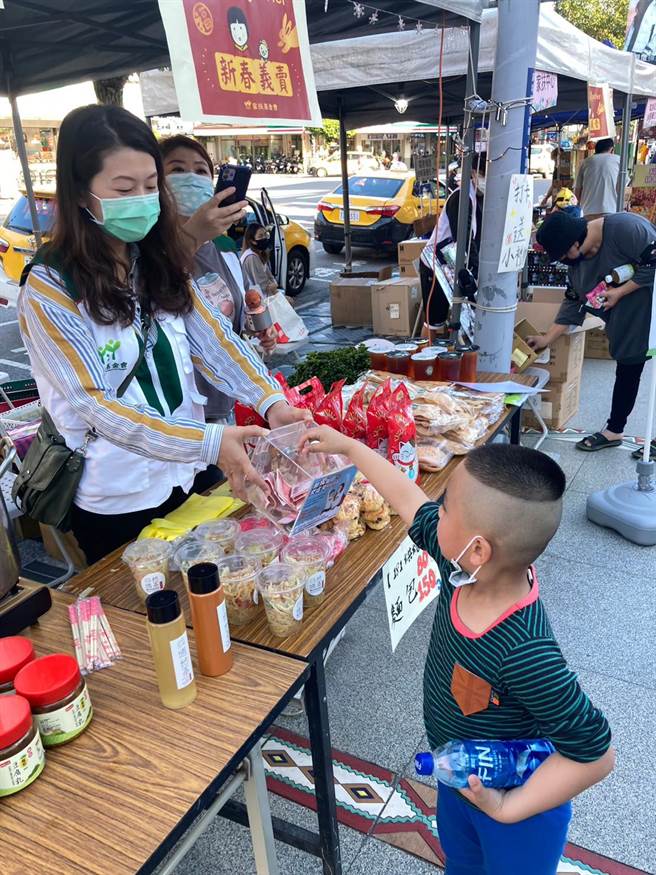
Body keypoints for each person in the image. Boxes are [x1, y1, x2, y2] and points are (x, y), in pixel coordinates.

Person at [300, 430, 614, 875]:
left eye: (445, 506)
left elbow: (596, 753)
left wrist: (508, 807)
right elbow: (409, 501)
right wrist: (351, 449)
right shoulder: (462, 567)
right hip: (461, 776)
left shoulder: (526, 651)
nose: (435, 511)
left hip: (521, 808)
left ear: (479, 549)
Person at [18, 104, 306, 564]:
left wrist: (272, 402)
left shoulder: (152, 259)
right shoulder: (51, 288)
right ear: (79, 193)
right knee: (152, 617)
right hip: (119, 495)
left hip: (188, 474)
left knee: (215, 597)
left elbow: (213, 341)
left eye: (151, 186)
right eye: (124, 188)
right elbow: (95, 404)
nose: (143, 199)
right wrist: (209, 441)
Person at [160, 134, 276, 423]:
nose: (190, 177)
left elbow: (233, 319)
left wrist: (258, 329)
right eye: (177, 170)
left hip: (226, 404)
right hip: (178, 419)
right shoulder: (151, 253)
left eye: (200, 171)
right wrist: (190, 236)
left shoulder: (224, 249)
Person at [531, 210, 656, 456]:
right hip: (629, 319)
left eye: (565, 254)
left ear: (576, 241)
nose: (565, 260)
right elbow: (572, 303)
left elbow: (653, 263)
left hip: (651, 302)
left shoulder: (626, 229)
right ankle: (614, 430)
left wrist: (620, 292)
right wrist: (546, 338)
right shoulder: (576, 266)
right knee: (628, 365)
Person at [418, 153, 486, 331]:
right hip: (437, 264)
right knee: (434, 322)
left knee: (463, 320)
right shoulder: (461, 198)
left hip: (455, 263)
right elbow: (463, 239)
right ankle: (425, 354)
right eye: (485, 175)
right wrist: (475, 269)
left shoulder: (481, 198)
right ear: (473, 172)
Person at [574, 138, 620, 220]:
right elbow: (621, 187)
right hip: (611, 210)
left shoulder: (585, 162)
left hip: (588, 211)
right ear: (611, 149)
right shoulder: (618, 160)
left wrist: (579, 205)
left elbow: (577, 190)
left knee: (591, 232)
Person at [241, 222, 279, 296]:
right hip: (255, 299)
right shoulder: (251, 257)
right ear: (252, 241)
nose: (264, 238)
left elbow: (270, 276)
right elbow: (263, 285)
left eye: (265, 234)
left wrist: (274, 285)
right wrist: (275, 288)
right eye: (260, 236)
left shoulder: (259, 254)